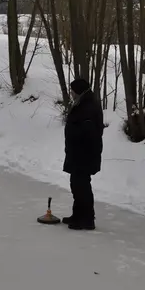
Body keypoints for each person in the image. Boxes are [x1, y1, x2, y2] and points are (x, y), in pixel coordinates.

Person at [62, 78, 104, 231]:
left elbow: (90, 132)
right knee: (76, 184)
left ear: (79, 91)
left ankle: (87, 219)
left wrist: (75, 134)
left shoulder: (88, 107)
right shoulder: (83, 104)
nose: (71, 94)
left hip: (84, 154)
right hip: (78, 153)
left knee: (82, 186)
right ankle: (78, 214)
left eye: (73, 91)